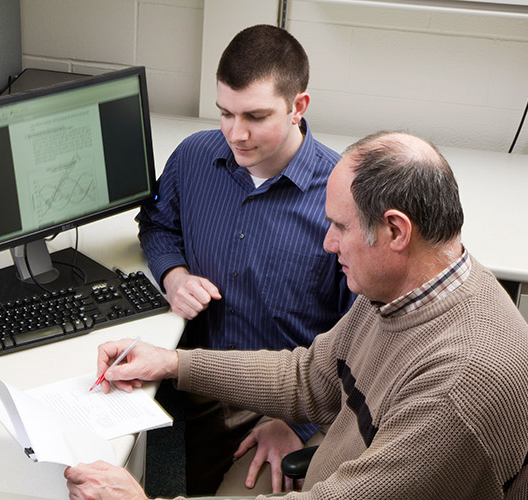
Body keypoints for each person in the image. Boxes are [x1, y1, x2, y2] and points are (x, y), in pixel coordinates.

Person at [65, 131, 528, 500]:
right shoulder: (404, 288)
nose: (328, 243)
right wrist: (173, 364)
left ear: (395, 230)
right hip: (339, 468)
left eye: (340, 227)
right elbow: (309, 377)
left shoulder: (458, 385)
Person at [136, 24, 354, 495]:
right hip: (201, 381)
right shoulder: (195, 156)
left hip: (284, 402)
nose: (237, 134)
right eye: (225, 114)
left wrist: (299, 425)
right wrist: (173, 275)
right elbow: (156, 224)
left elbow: (362, 339)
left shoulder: (342, 200)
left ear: (299, 107)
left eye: (255, 116)